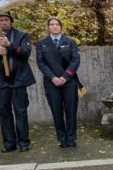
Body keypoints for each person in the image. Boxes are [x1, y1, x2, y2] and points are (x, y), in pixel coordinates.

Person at [0, 11, 34, 152]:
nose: (4, 22)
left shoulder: (22, 35)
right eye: (1, 20)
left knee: (20, 111)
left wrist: (10, 45)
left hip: (18, 80)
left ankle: (23, 142)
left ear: (10, 21)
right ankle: (9, 143)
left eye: (6, 19)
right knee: (3, 112)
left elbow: (25, 53)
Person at [35, 17, 81, 148]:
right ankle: (62, 138)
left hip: (69, 82)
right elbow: (41, 63)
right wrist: (53, 77)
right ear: (48, 27)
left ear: (61, 27)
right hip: (52, 83)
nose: (55, 26)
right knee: (56, 111)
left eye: (57, 24)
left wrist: (65, 77)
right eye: (52, 24)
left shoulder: (70, 42)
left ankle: (71, 137)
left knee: (71, 110)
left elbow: (75, 61)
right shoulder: (41, 43)